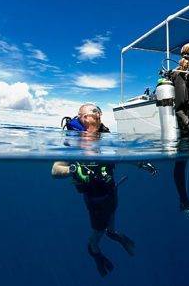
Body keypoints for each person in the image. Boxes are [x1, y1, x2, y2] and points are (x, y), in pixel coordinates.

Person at [53, 103, 157, 277]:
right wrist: (73, 170)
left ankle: (114, 234)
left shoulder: (104, 135)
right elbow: (55, 170)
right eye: (93, 112)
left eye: (99, 112)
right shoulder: (71, 139)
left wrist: (140, 163)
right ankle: (94, 251)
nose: (98, 114)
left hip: (111, 189)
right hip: (95, 199)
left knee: (111, 226)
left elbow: (119, 155)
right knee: (99, 231)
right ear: (81, 117)